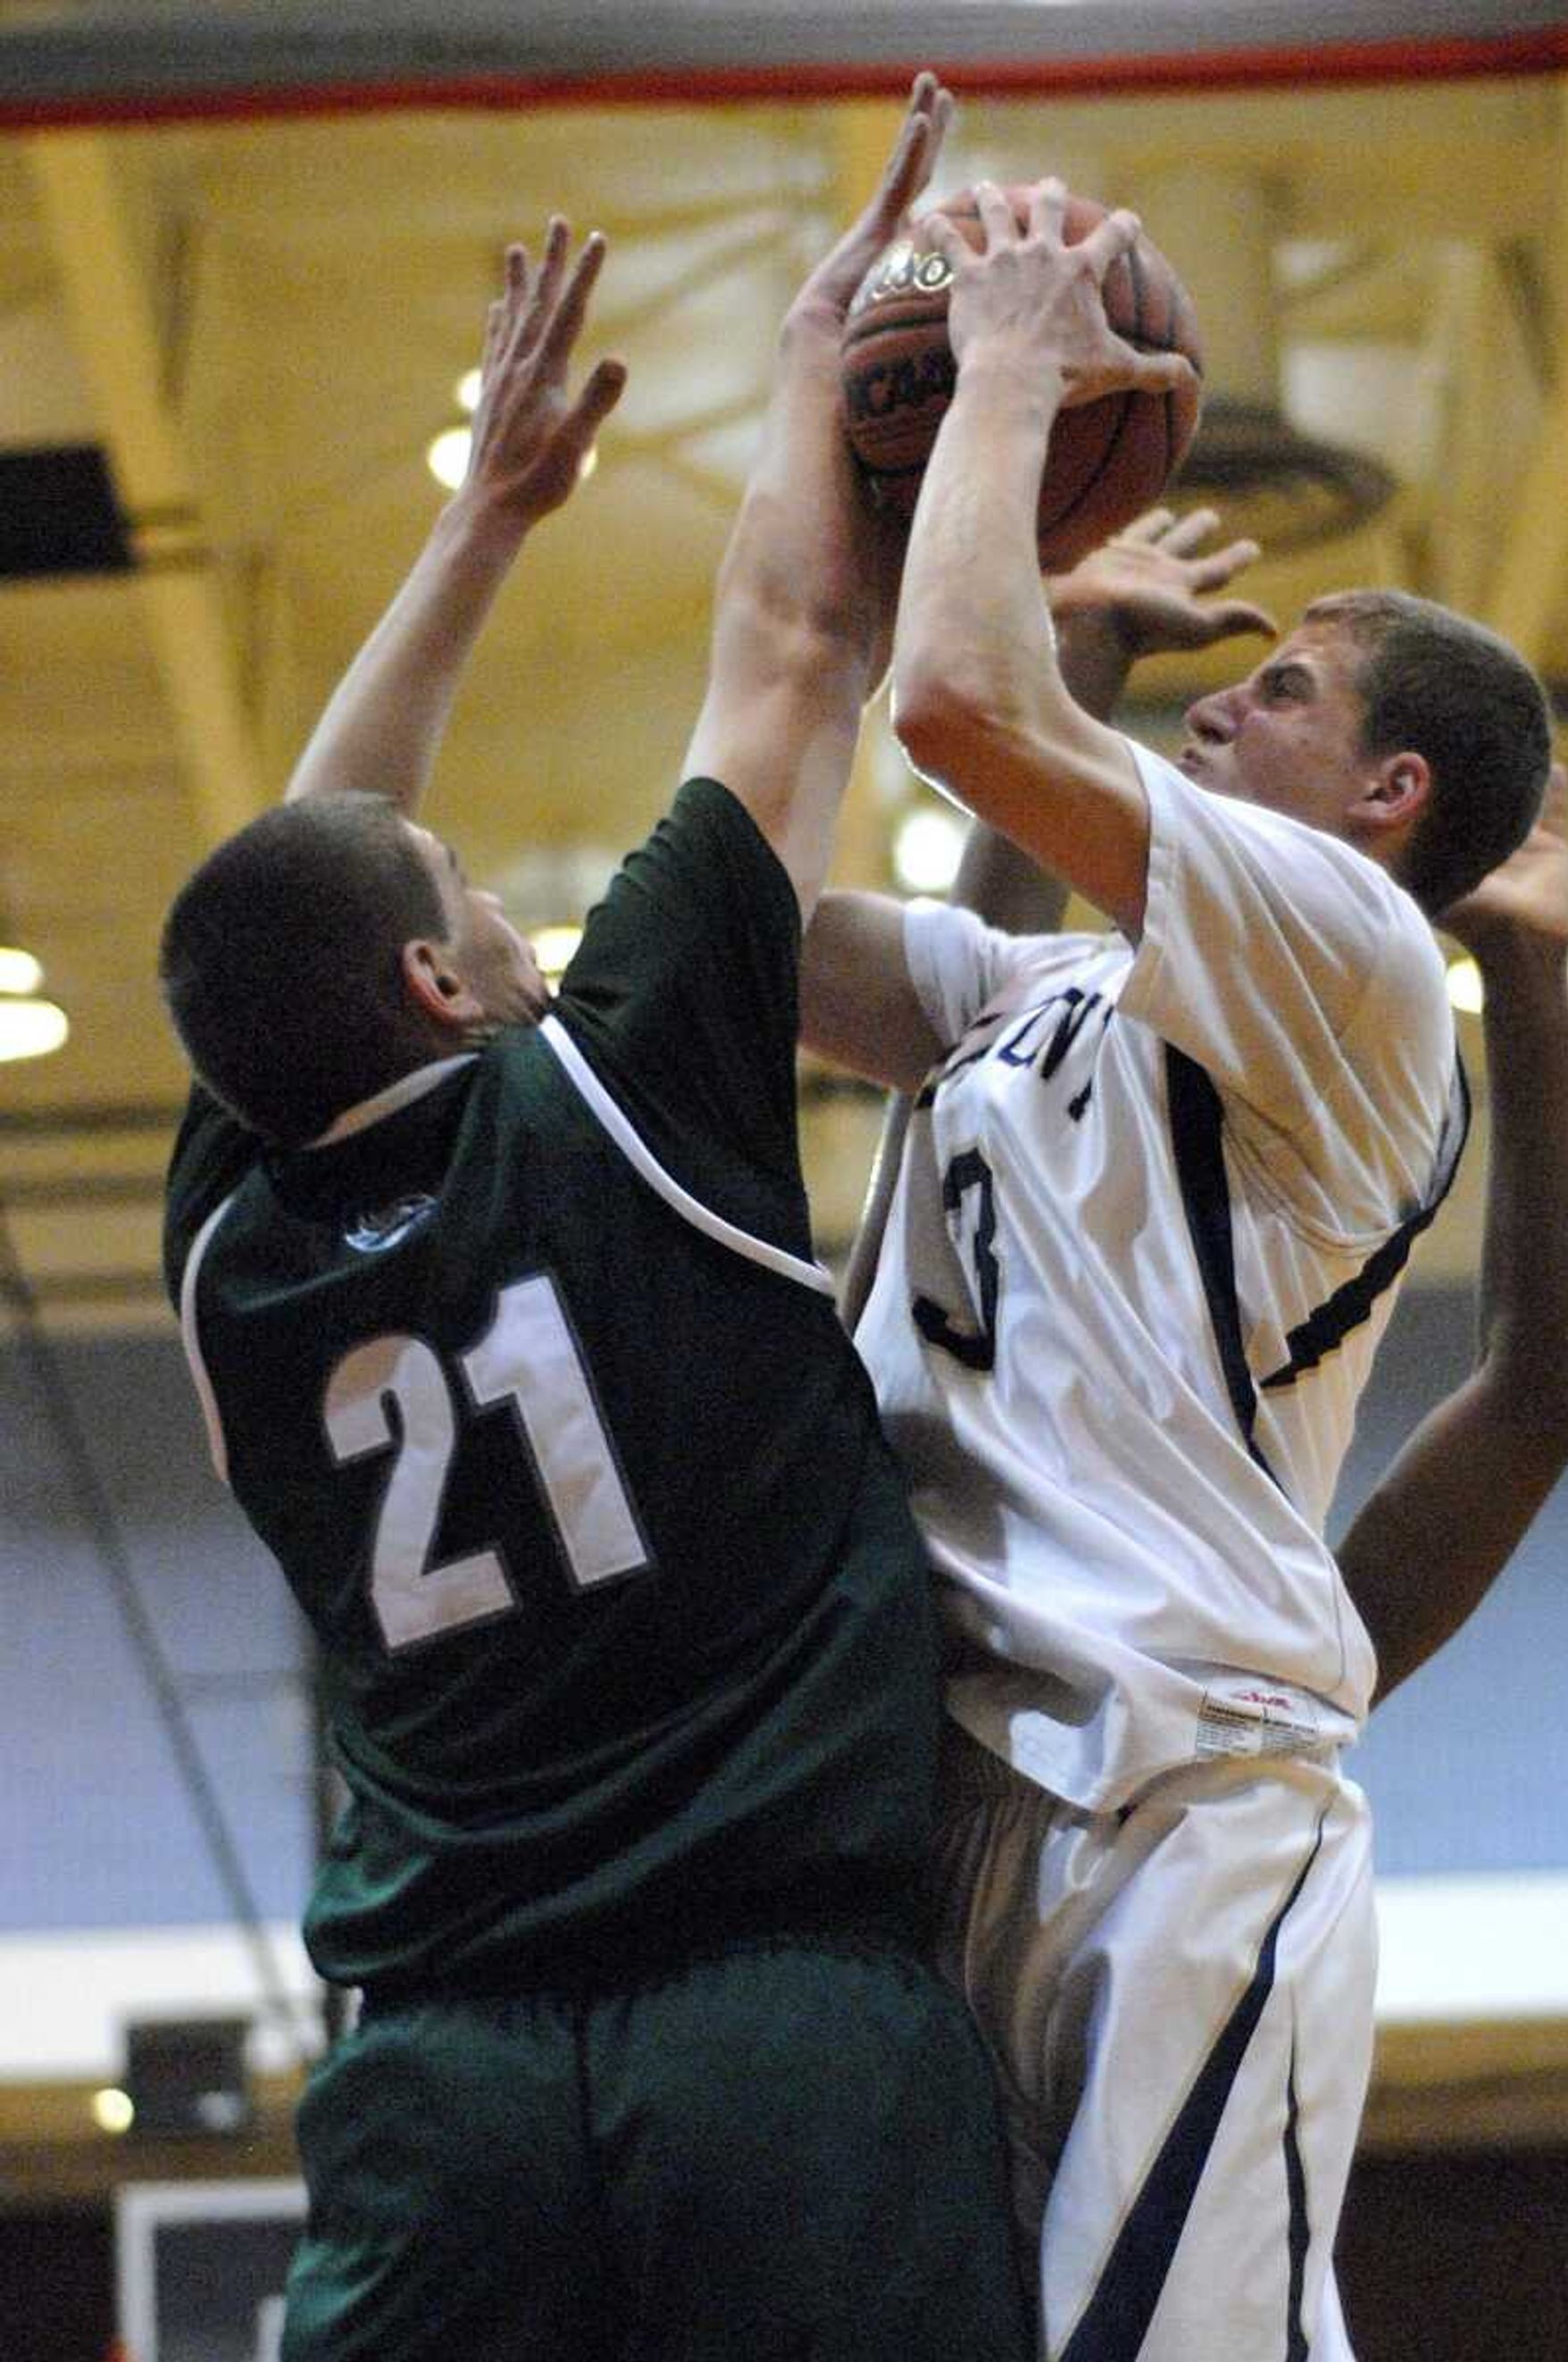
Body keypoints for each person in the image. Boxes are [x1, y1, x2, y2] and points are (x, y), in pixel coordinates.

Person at [154, 77, 1064, 2362]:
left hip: (436, 2075)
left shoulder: (229, 1251)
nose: (507, 908)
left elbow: (296, 884)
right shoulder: (620, 1088)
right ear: (447, 983)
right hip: (772, 2026)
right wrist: (814, 359)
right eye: (474, 897)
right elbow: (789, 648)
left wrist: (478, 527)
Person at [797, 180, 1568, 2362]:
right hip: (954, 1794)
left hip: (1178, 1807)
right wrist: (820, 497)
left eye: (1294, 693)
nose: (1231, 710)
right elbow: (741, 939)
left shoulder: (1349, 956)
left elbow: (967, 705)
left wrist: (1018, 375)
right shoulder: (1043, 992)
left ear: (1390, 796)